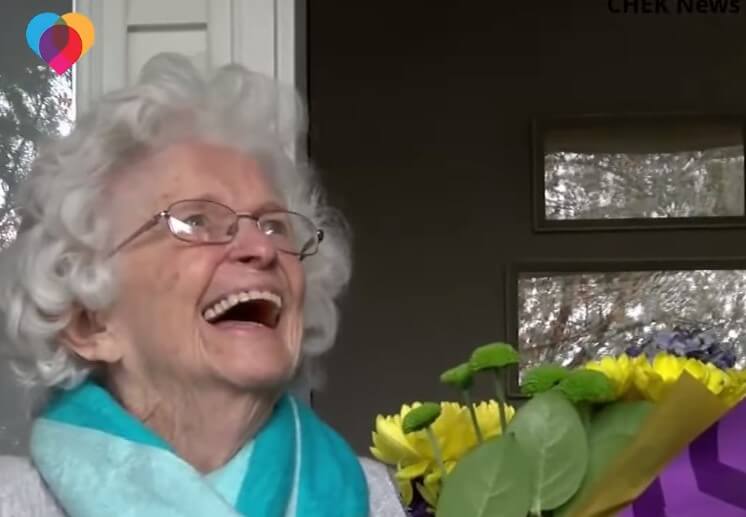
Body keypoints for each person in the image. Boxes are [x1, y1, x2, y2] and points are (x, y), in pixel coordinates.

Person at [0, 53, 405, 517]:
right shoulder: (15, 503)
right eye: (195, 221)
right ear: (91, 323)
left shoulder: (374, 497)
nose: (261, 247)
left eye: (274, 225)